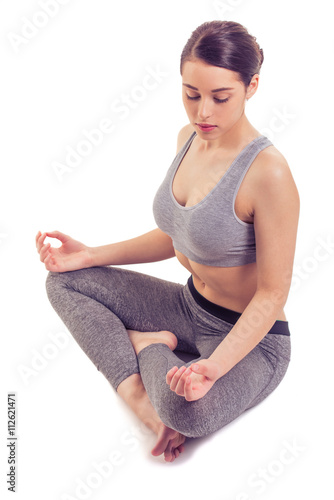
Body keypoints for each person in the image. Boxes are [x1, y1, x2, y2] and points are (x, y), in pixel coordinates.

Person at [35, 20, 299, 463]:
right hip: (187, 306)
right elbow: (178, 233)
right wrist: (90, 254)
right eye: (191, 94)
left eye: (221, 97)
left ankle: (149, 344)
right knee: (64, 283)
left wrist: (212, 369)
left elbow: (273, 294)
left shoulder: (268, 173)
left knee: (186, 414)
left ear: (251, 86)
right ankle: (137, 390)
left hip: (252, 339)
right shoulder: (188, 139)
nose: (203, 113)